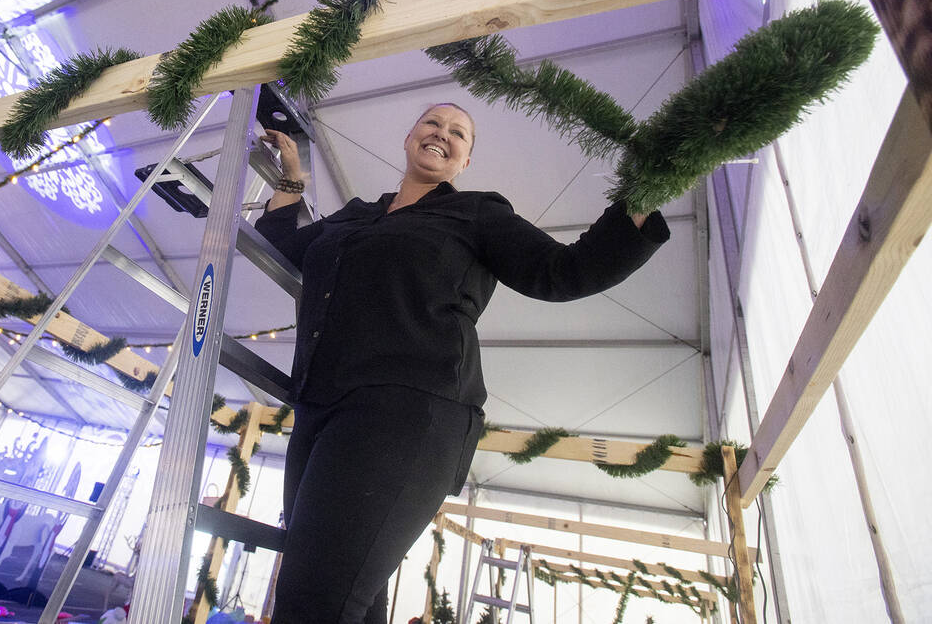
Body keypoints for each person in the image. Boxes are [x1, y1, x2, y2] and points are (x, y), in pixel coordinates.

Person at [255, 103, 668, 623]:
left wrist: (647, 189)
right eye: (431, 123)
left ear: (464, 162)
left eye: (458, 133)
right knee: (346, 605)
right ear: (409, 136)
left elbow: (563, 272)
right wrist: (292, 178)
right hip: (319, 410)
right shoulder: (358, 213)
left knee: (311, 603)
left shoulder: (477, 212)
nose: (441, 134)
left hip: (406, 414)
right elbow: (289, 248)